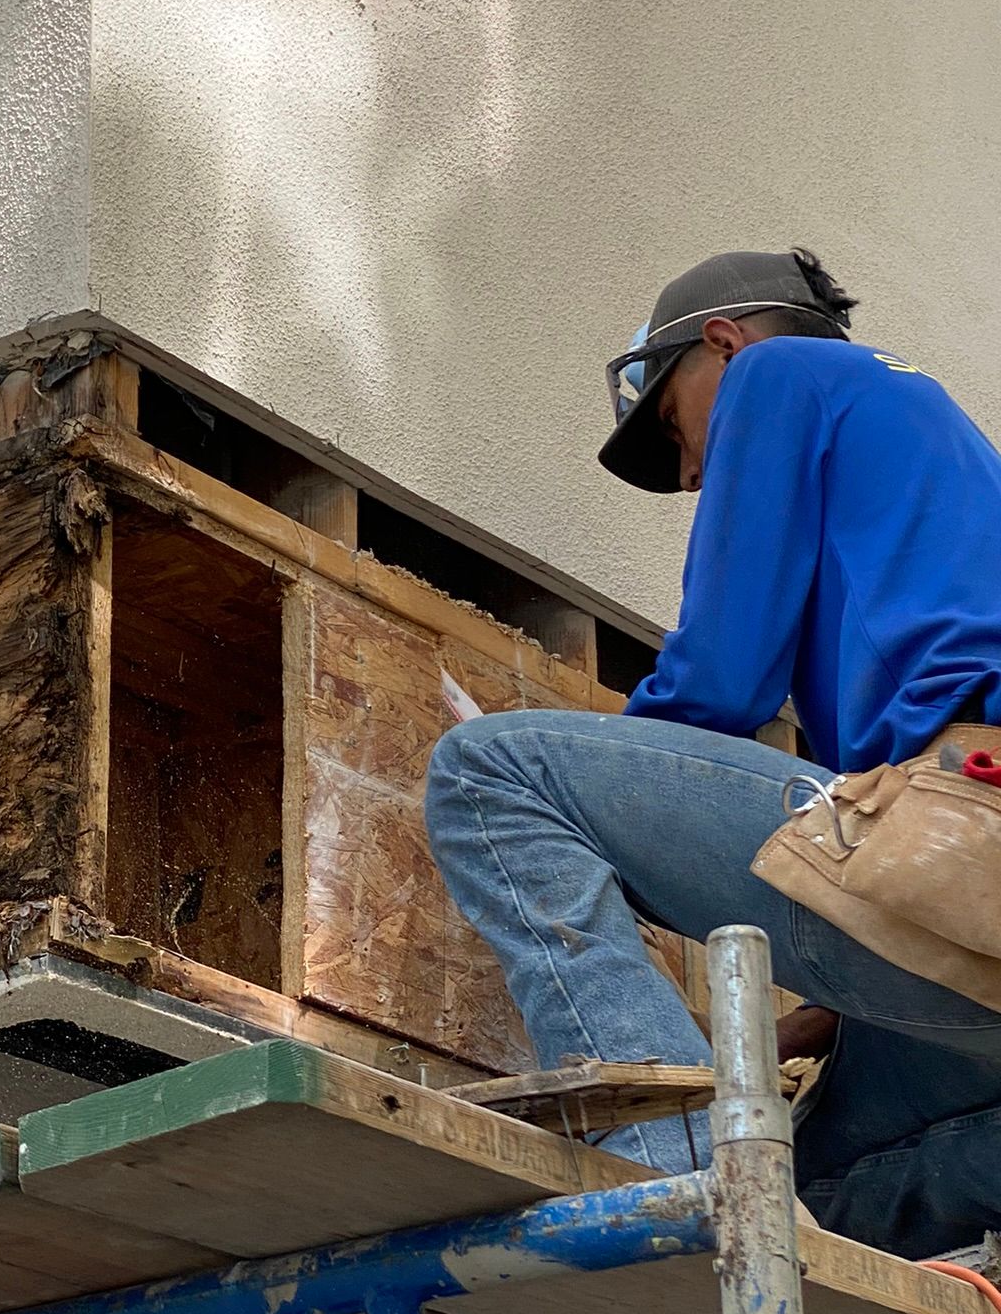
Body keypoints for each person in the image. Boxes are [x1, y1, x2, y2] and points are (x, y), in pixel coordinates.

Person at [426, 248, 1001, 1257]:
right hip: (968, 923)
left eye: (677, 426)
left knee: (492, 770)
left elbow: (719, 685)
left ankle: (673, 1188)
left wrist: (605, 781)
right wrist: (784, 1040)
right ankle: (751, 1217)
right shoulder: (937, 443)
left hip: (966, 821)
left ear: (723, 345)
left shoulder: (782, 376)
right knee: (812, 1182)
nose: (696, 469)